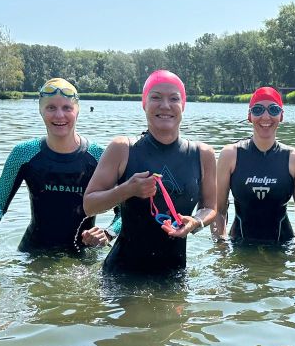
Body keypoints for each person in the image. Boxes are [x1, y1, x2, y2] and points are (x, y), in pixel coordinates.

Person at [83, 70, 216, 275]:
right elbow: (89, 205)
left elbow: (210, 207)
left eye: (174, 98)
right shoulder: (122, 148)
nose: (165, 105)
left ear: (183, 105)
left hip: (174, 274)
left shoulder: (202, 154)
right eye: (156, 97)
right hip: (121, 275)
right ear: (144, 103)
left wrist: (196, 222)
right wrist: (127, 190)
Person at [0, 78, 119, 252]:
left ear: (77, 111)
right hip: (33, 253)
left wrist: (108, 233)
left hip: (83, 256)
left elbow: (125, 210)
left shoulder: (99, 156)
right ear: (41, 111)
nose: (59, 115)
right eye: (51, 107)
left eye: (67, 108)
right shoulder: (22, 153)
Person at [212, 86, 295, 244]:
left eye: (273, 109)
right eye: (258, 110)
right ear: (249, 116)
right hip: (240, 246)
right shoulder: (230, 155)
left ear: (281, 116)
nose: (266, 116)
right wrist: (221, 247)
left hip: (282, 247)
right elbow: (218, 213)